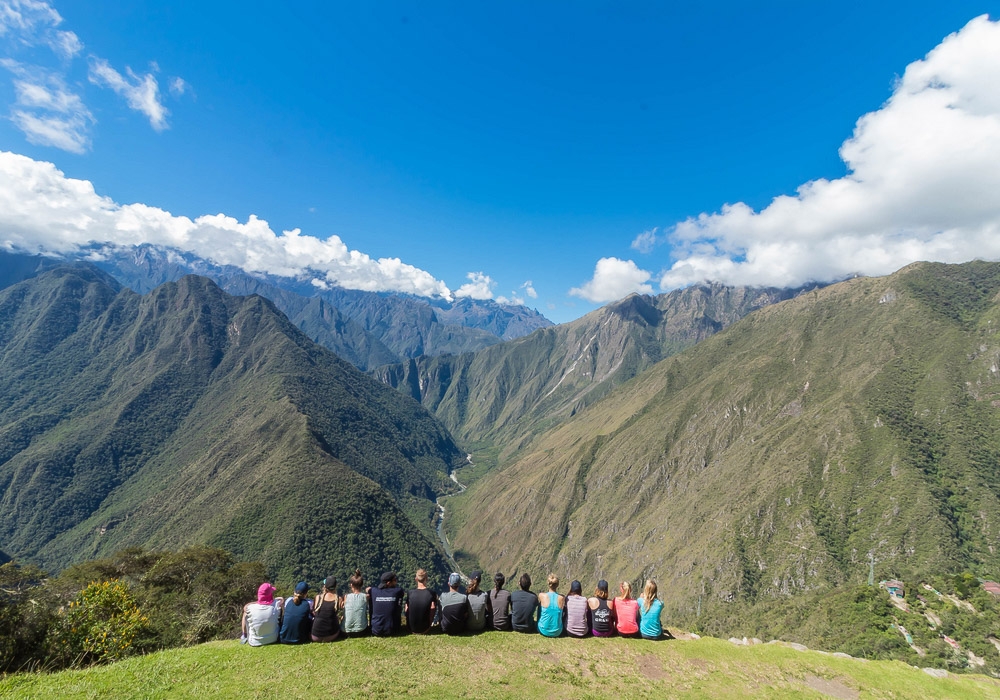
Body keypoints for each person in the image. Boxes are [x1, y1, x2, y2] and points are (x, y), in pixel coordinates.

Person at [242, 582, 282, 646]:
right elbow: (281, 599)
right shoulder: (276, 605)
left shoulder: (250, 608)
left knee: (245, 614)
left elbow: (245, 607)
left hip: (254, 642)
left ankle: (244, 635)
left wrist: (256, 602)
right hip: (274, 639)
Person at [370, 571, 405, 636]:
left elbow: (368, 589)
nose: (396, 581)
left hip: (376, 630)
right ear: (388, 583)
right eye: (394, 580)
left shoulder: (374, 591)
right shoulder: (397, 591)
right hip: (393, 631)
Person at [405, 568, 438, 634]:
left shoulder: (410, 593)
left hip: (411, 628)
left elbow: (406, 609)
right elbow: (433, 608)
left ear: (416, 579)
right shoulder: (431, 593)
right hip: (424, 628)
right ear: (427, 578)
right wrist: (430, 623)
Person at [311, 576, 341, 642]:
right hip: (331, 636)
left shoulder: (318, 598)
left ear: (325, 586)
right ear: (335, 586)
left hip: (315, 637)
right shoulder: (338, 599)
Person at [342, 569, 370, 636]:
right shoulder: (365, 597)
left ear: (351, 585)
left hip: (346, 631)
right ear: (362, 584)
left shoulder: (346, 596)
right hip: (361, 630)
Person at [537, 573, 565, 638]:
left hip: (543, 630)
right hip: (558, 631)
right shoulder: (562, 598)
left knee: (540, 606)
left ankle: (541, 623)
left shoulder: (541, 596)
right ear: (557, 585)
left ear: (548, 583)